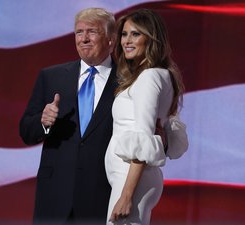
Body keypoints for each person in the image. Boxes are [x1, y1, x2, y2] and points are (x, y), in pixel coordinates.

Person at [19, 7, 187, 225]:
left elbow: (147, 130)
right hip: (55, 196)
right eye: (79, 32)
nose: (84, 39)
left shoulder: (129, 80)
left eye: (92, 32)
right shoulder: (51, 77)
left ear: (110, 40)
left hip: (103, 194)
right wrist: (43, 122)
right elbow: (25, 130)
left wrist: (162, 140)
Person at [105, 9, 186, 225]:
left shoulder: (150, 77)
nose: (127, 41)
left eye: (136, 34)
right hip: (132, 179)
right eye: (124, 34)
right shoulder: (154, 74)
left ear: (151, 39)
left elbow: (143, 136)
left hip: (132, 180)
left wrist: (126, 195)